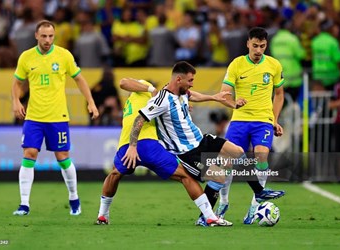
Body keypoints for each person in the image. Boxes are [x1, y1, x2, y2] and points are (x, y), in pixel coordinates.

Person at [122, 61, 285, 226]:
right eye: (190, 80)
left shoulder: (182, 91)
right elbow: (139, 119)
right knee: (219, 176)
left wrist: (214, 97)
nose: (192, 84)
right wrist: (132, 146)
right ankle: (204, 217)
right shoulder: (162, 100)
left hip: (201, 140)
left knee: (237, 151)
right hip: (187, 152)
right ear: (179, 79)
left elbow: (193, 95)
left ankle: (259, 192)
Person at [96, 78, 231, 227]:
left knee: (114, 174)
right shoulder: (146, 90)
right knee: (184, 176)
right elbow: (123, 82)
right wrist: (150, 88)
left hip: (127, 146)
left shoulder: (134, 103)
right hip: (148, 144)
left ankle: (102, 215)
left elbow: (171, 108)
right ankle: (209, 216)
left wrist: (182, 107)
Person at [11, 20, 99, 216]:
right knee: (29, 154)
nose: (48, 40)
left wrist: (91, 102)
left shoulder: (64, 55)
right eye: (44, 36)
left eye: (51, 36)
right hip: (33, 117)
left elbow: (79, 79)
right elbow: (17, 82)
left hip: (57, 117)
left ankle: (74, 198)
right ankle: (24, 204)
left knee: (62, 158)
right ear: (36, 36)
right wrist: (16, 101)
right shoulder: (26, 57)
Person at [219, 27, 285, 224]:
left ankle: (256, 204)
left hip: (263, 120)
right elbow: (224, 93)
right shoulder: (237, 64)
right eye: (255, 46)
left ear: (266, 45)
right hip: (239, 119)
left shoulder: (274, 65)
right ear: (248, 43)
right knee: (227, 161)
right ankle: (223, 202)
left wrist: (274, 120)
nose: (258, 50)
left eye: (262, 46)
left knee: (261, 155)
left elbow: (279, 95)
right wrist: (233, 103)